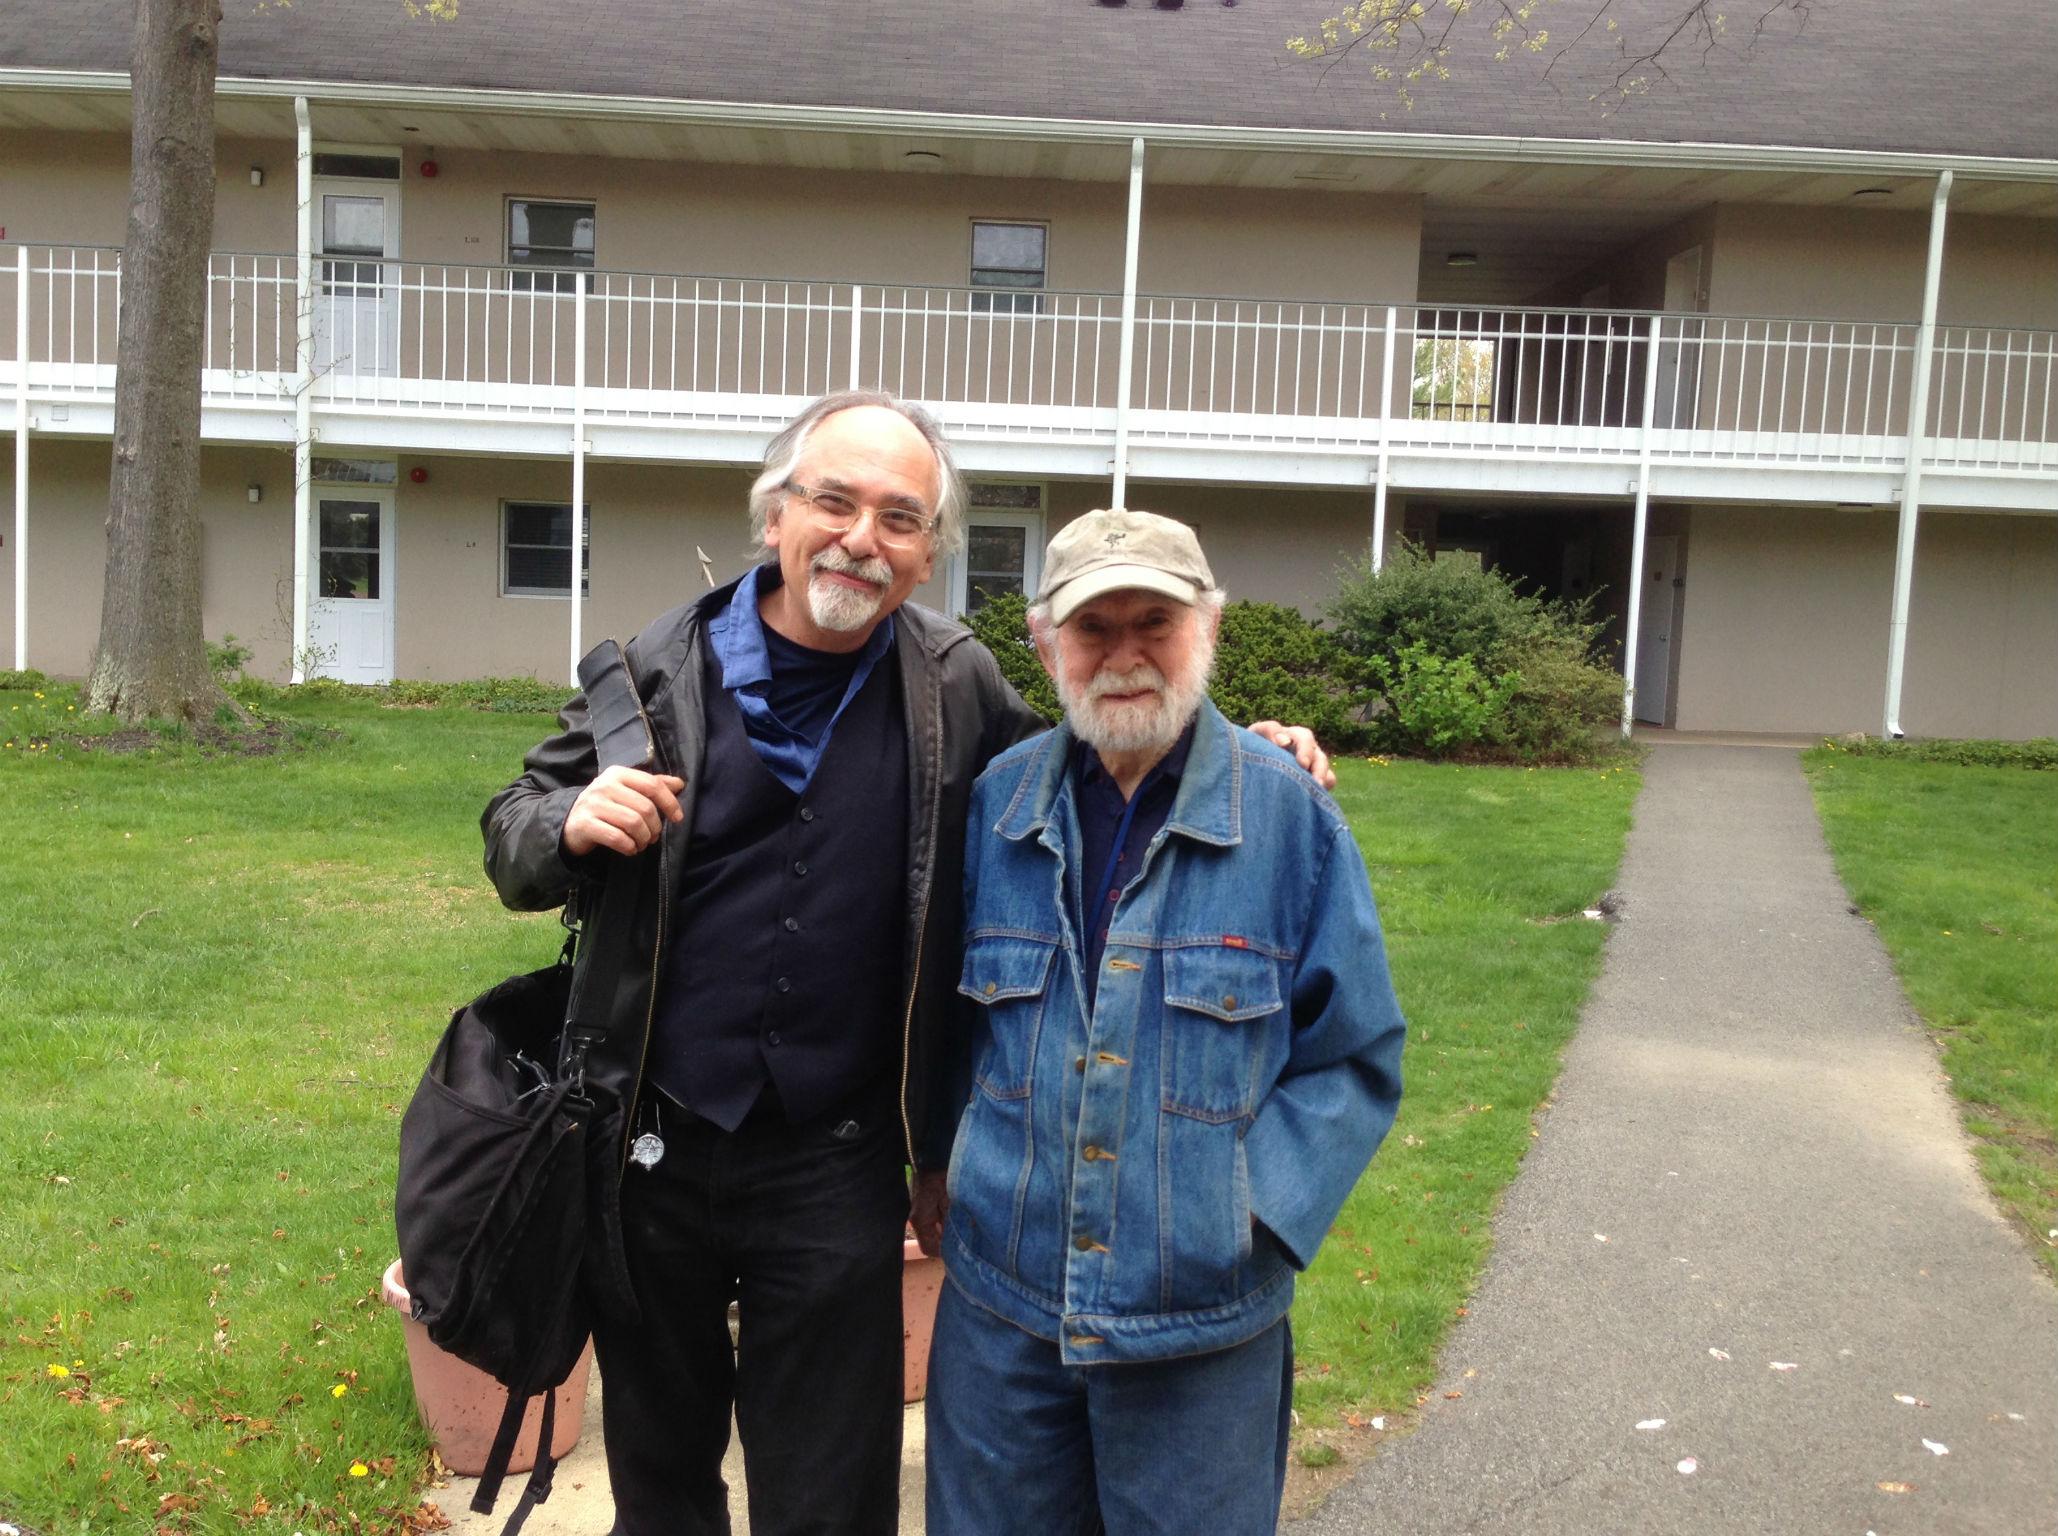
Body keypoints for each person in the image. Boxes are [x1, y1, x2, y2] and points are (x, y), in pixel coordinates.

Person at [479, 392, 1335, 1536]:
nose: (859, 538)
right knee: (660, 1481)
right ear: (776, 513)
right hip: (652, 1152)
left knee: (831, 1497)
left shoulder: (953, 683)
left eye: (898, 517)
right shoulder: (653, 671)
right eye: (833, 501)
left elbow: (1090, 748)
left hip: (836, 1161)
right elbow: (513, 825)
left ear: (929, 553)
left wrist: (1236, 750)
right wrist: (569, 818)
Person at [924, 508, 1408, 1536]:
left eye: (1157, 622)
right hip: (1003, 1318)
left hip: (1200, 1333)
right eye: (1096, 629)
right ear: (1045, 640)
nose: (1128, 654)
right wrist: (941, 1164)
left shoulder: (1289, 817)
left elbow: (1353, 1055)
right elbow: (949, 1028)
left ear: (1209, 630)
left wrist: (1249, 1218)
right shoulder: (998, 807)